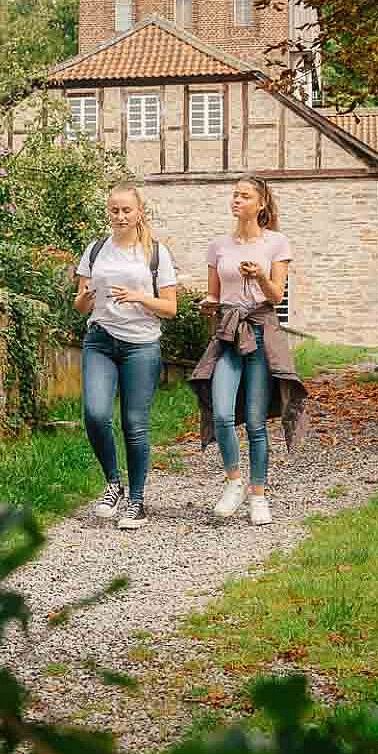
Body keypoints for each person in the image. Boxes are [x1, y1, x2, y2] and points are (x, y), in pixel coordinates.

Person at [189, 175, 309, 526]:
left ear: (260, 204)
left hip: (260, 332)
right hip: (228, 334)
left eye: (244, 196)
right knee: (223, 413)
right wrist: (207, 303)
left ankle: (259, 495)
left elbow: (276, 297)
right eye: (234, 195)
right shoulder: (218, 246)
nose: (236, 200)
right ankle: (233, 481)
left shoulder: (277, 243)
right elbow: (215, 294)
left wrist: (258, 276)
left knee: (256, 421)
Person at [74, 183, 179, 529]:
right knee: (95, 414)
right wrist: (86, 296)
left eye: (126, 210)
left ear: (138, 212)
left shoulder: (155, 253)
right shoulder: (95, 250)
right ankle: (112, 483)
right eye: (114, 210)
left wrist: (139, 297)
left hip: (141, 346)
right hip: (100, 340)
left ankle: (136, 500)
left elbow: (170, 308)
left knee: (134, 424)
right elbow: (79, 305)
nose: (120, 216)